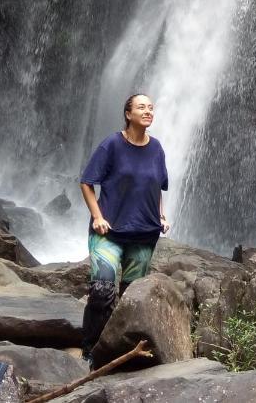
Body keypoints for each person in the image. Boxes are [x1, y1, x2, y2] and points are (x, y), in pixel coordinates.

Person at [79, 93, 169, 359]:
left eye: (151, 107)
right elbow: (87, 181)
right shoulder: (112, 145)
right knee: (102, 289)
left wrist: (162, 216)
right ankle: (91, 349)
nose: (148, 111)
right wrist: (97, 216)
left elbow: (157, 187)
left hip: (143, 235)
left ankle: (120, 349)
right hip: (109, 232)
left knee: (131, 296)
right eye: (141, 107)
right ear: (128, 114)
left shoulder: (157, 149)